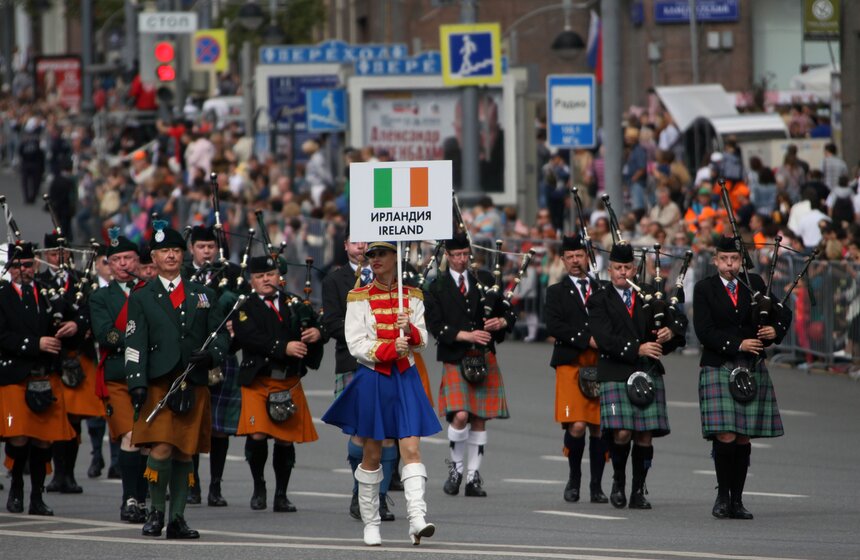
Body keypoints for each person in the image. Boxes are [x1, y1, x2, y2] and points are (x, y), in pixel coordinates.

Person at [322, 241, 440, 547]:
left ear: (395, 257)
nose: (374, 259)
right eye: (371, 254)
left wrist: (409, 331)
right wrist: (389, 348)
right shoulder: (358, 297)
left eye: (381, 254)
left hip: (406, 377)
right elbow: (355, 343)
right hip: (374, 377)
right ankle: (371, 521)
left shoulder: (412, 295)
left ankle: (417, 518)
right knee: (372, 453)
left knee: (411, 448)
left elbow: (422, 341)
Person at [125, 221, 229, 539]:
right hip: (159, 382)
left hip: (192, 382)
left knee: (184, 451)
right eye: (163, 251)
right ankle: (156, 513)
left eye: (175, 250)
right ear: (153, 258)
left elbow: (220, 336)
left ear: (182, 255)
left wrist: (211, 356)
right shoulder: (142, 297)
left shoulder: (203, 294)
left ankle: (178, 519)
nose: (170, 255)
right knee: (160, 448)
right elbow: (134, 343)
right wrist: (136, 383)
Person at [692, 236, 792, 519]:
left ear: (741, 260)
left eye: (734, 259)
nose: (730, 265)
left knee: (743, 437)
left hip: (750, 366)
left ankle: (737, 500)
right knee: (725, 433)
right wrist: (738, 344)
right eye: (724, 259)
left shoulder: (754, 284)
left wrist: (775, 331)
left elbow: (783, 313)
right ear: (715, 260)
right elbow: (704, 331)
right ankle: (722, 497)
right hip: (719, 364)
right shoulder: (705, 289)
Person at [586, 241, 686, 510]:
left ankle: (638, 490)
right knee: (621, 432)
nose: (623, 273)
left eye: (628, 268)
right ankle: (618, 481)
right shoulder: (599, 299)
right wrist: (637, 348)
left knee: (644, 435)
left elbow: (678, 320)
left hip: (646, 370)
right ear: (609, 270)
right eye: (618, 268)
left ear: (635, 269)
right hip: (616, 370)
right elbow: (604, 338)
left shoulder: (649, 295)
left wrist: (670, 332)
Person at [425, 233, 516, 498]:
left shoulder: (484, 280)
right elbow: (435, 325)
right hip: (456, 356)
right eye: (456, 255)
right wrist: (466, 335)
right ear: (447, 256)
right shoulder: (438, 286)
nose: (462, 260)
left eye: (465, 254)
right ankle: (456, 470)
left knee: (479, 418)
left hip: (483, 356)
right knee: (461, 415)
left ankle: (473, 477)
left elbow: (508, 312)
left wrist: (501, 322)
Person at [233, 256, 322, 512]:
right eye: (259, 276)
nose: (266, 280)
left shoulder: (294, 303)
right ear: (251, 280)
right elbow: (249, 337)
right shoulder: (244, 306)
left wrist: (317, 333)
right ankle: (258, 486)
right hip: (258, 380)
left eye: (270, 274)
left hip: (288, 380)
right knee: (257, 434)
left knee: (285, 440)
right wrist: (283, 347)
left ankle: (281, 494)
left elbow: (316, 325)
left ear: (278, 276)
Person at [321, 235, 397, 521]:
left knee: (387, 433)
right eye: (356, 242)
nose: (362, 247)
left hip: (388, 364)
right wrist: (367, 333)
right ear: (345, 246)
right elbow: (331, 324)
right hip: (353, 362)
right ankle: (359, 493)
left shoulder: (393, 278)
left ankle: (380, 498)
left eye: (367, 242)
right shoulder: (334, 280)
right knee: (361, 432)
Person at [0, 241, 76, 515]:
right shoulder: (2, 295)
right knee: (18, 437)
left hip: (45, 375)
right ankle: (17, 486)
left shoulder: (47, 292)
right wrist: (35, 344)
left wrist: (74, 325)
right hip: (15, 375)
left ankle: (37, 496)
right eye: (18, 265)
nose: (24, 270)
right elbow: (2, 335)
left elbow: (75, 313)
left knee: (44, 440)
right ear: (10, 268)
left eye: (28, 264)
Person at [89, 232, 149, 522]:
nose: (123, 264)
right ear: (109, 265)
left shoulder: (151, 291)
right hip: (118, 375)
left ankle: (144, 498)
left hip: (150, 375)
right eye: (116, 260)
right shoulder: (100, 297)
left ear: (137, 261)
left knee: (148, 440)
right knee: (130, 435)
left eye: (128, 258)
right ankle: (130, 499)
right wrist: (141, 341)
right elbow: (106, 335)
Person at [181, 225, 242, 507]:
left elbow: (244, 308)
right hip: (193, 355)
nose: (207, 252)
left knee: (220, 427)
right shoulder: (182, 274)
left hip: (223, 354)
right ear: (191, 248)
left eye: (211, 247)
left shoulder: (232, 273)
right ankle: (191, 483)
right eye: (201, 247)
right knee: (193, 421)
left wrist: (235, 324)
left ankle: (215, 486)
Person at [544, 235, 608, 504]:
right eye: (569, 257)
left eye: (579, 255)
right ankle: (574, 479)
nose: (574, 261)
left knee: (599, 427)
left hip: (601, 363)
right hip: (571, 362)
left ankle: (597, 486)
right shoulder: (556, 291)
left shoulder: (603, 288)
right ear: (562, 260)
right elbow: (554, 325)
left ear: (587, 258)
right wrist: (586, 339)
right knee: (578, 425)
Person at [38, 233, 95, 496]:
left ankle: (68, 474)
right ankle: (55, 474)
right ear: (44, 256)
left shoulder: (82, 280)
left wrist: (77, 324)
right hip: (51, 358)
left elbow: (93, 310)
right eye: (53, 254)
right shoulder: (39, 281)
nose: (58, 258)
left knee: (73, 418)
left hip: (75, 356)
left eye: (63, 253)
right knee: (52, 417)